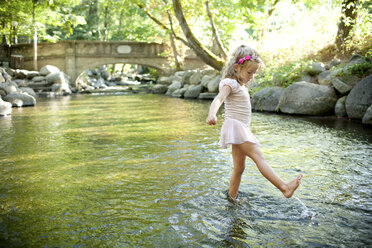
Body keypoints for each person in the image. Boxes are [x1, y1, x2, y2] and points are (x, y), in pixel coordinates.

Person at [206, 45, 302, 201]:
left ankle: (232, 198)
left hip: (239, 128)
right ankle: (284, 188)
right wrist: (212, 114)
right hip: (236, 127)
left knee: (239, 168)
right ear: (237, 67)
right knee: (259, 156)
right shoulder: (230, 83)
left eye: (254, 73)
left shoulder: (240, 85)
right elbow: (219, 99)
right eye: (249, 72)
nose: (252, 76)